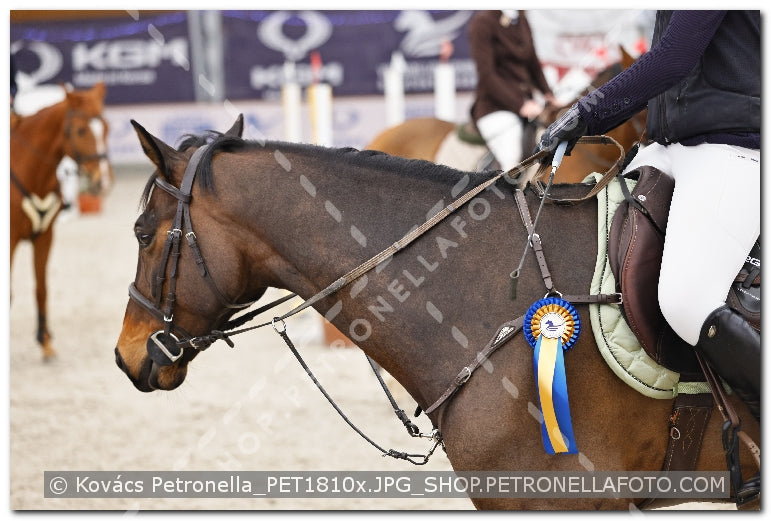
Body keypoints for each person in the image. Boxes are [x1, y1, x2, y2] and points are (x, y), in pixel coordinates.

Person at [536, 11, 760, 422]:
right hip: (668, 143)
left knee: (686, 300)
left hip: (734, 145)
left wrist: (588, 112)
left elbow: (675, 57)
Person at [468, 10, 556, 171]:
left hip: (526, 105)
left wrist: (548, 94)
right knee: (511, 157)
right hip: (495, 108)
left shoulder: (521, 19)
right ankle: (499, 194)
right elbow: (487, 75)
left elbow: (533, 63)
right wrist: (519, 105)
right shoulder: (483, 22)